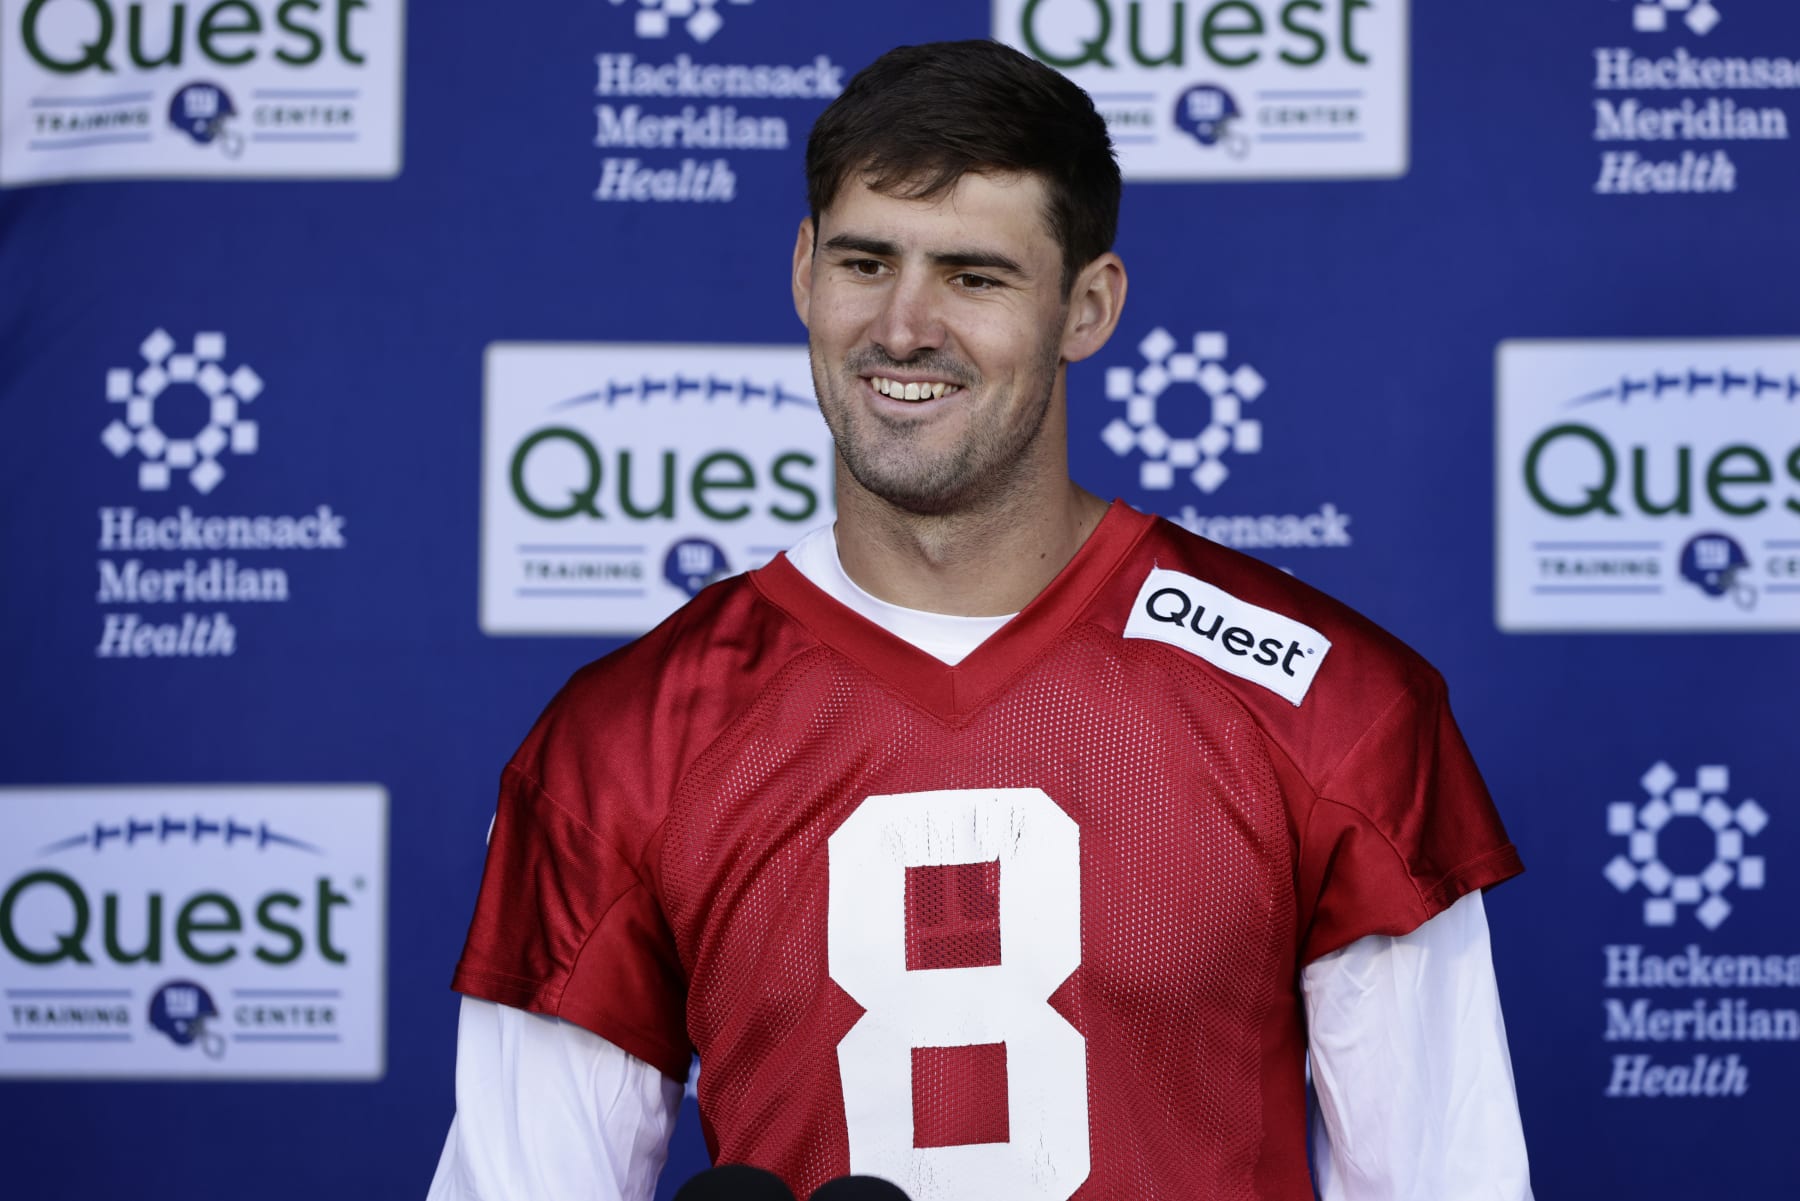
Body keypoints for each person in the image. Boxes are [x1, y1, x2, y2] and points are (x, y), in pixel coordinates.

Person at [430, 39, 1533, 1201]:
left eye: (974, 276)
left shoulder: (1326, 704)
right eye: (865, 262)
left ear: (1087, 306)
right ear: (803, 271)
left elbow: (1447, 1179)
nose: (904, 328)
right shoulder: (622, 744)